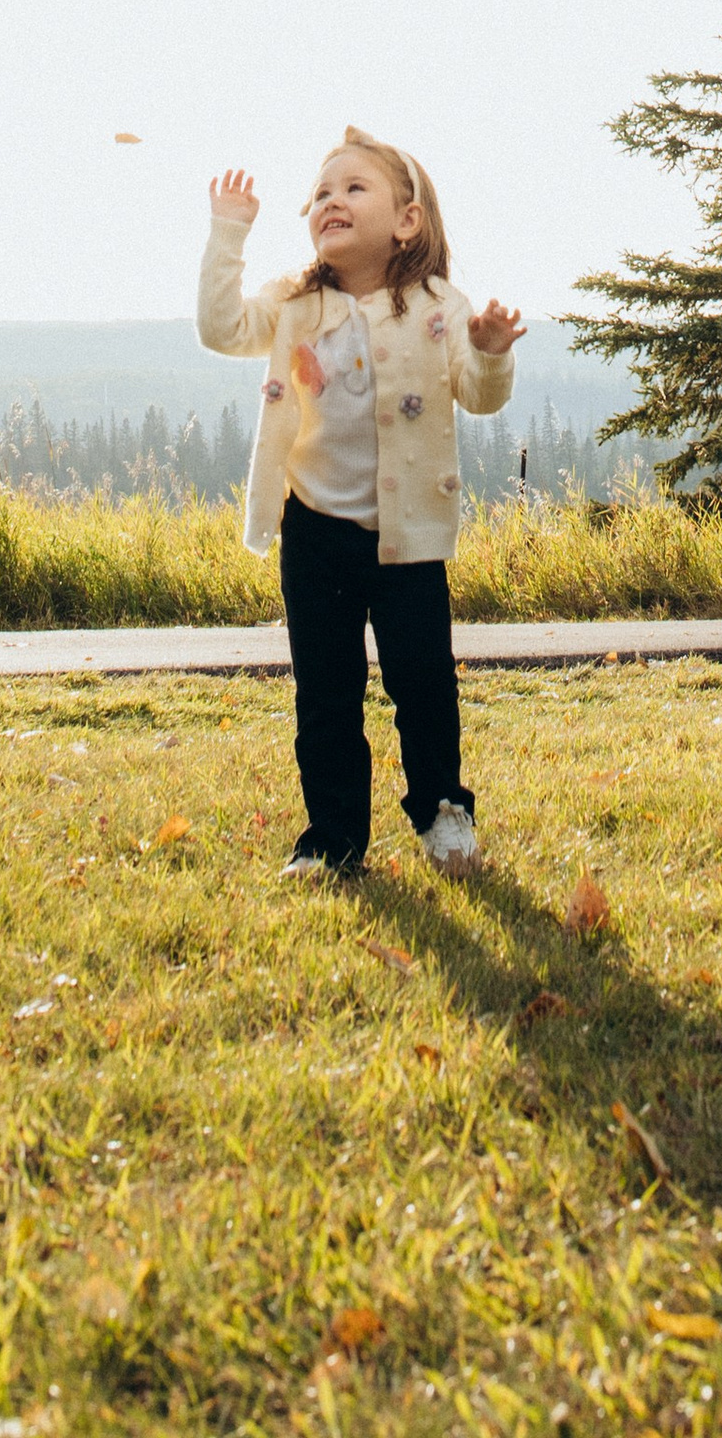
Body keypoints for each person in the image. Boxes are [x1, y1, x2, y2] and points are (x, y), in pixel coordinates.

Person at [198, 128, 522, 881]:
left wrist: (494, 350)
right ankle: (333, 838)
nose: (329, 201)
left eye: (352, 188)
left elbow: (476, 395)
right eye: (319, 193)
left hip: (410, 535)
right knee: (326, 693)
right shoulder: (295, 301)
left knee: (424, 684)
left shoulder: (438, 306)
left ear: (406, 219)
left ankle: (444, 812)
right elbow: (220, 329)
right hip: (315, 530)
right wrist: (227, 231)